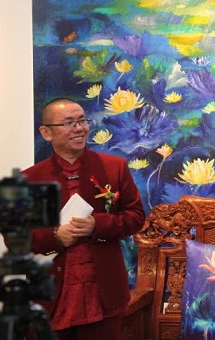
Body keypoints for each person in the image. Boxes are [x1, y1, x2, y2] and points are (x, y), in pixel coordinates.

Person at [23, 98, 146, 340]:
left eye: (82, 121)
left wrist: (97, 225)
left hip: (103, 293)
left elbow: (135, 217)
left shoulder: (114, 167)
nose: (79, 128)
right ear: (46, 132)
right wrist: (55, 236)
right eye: (69, 123)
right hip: (52, 295)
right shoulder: (30, 179)